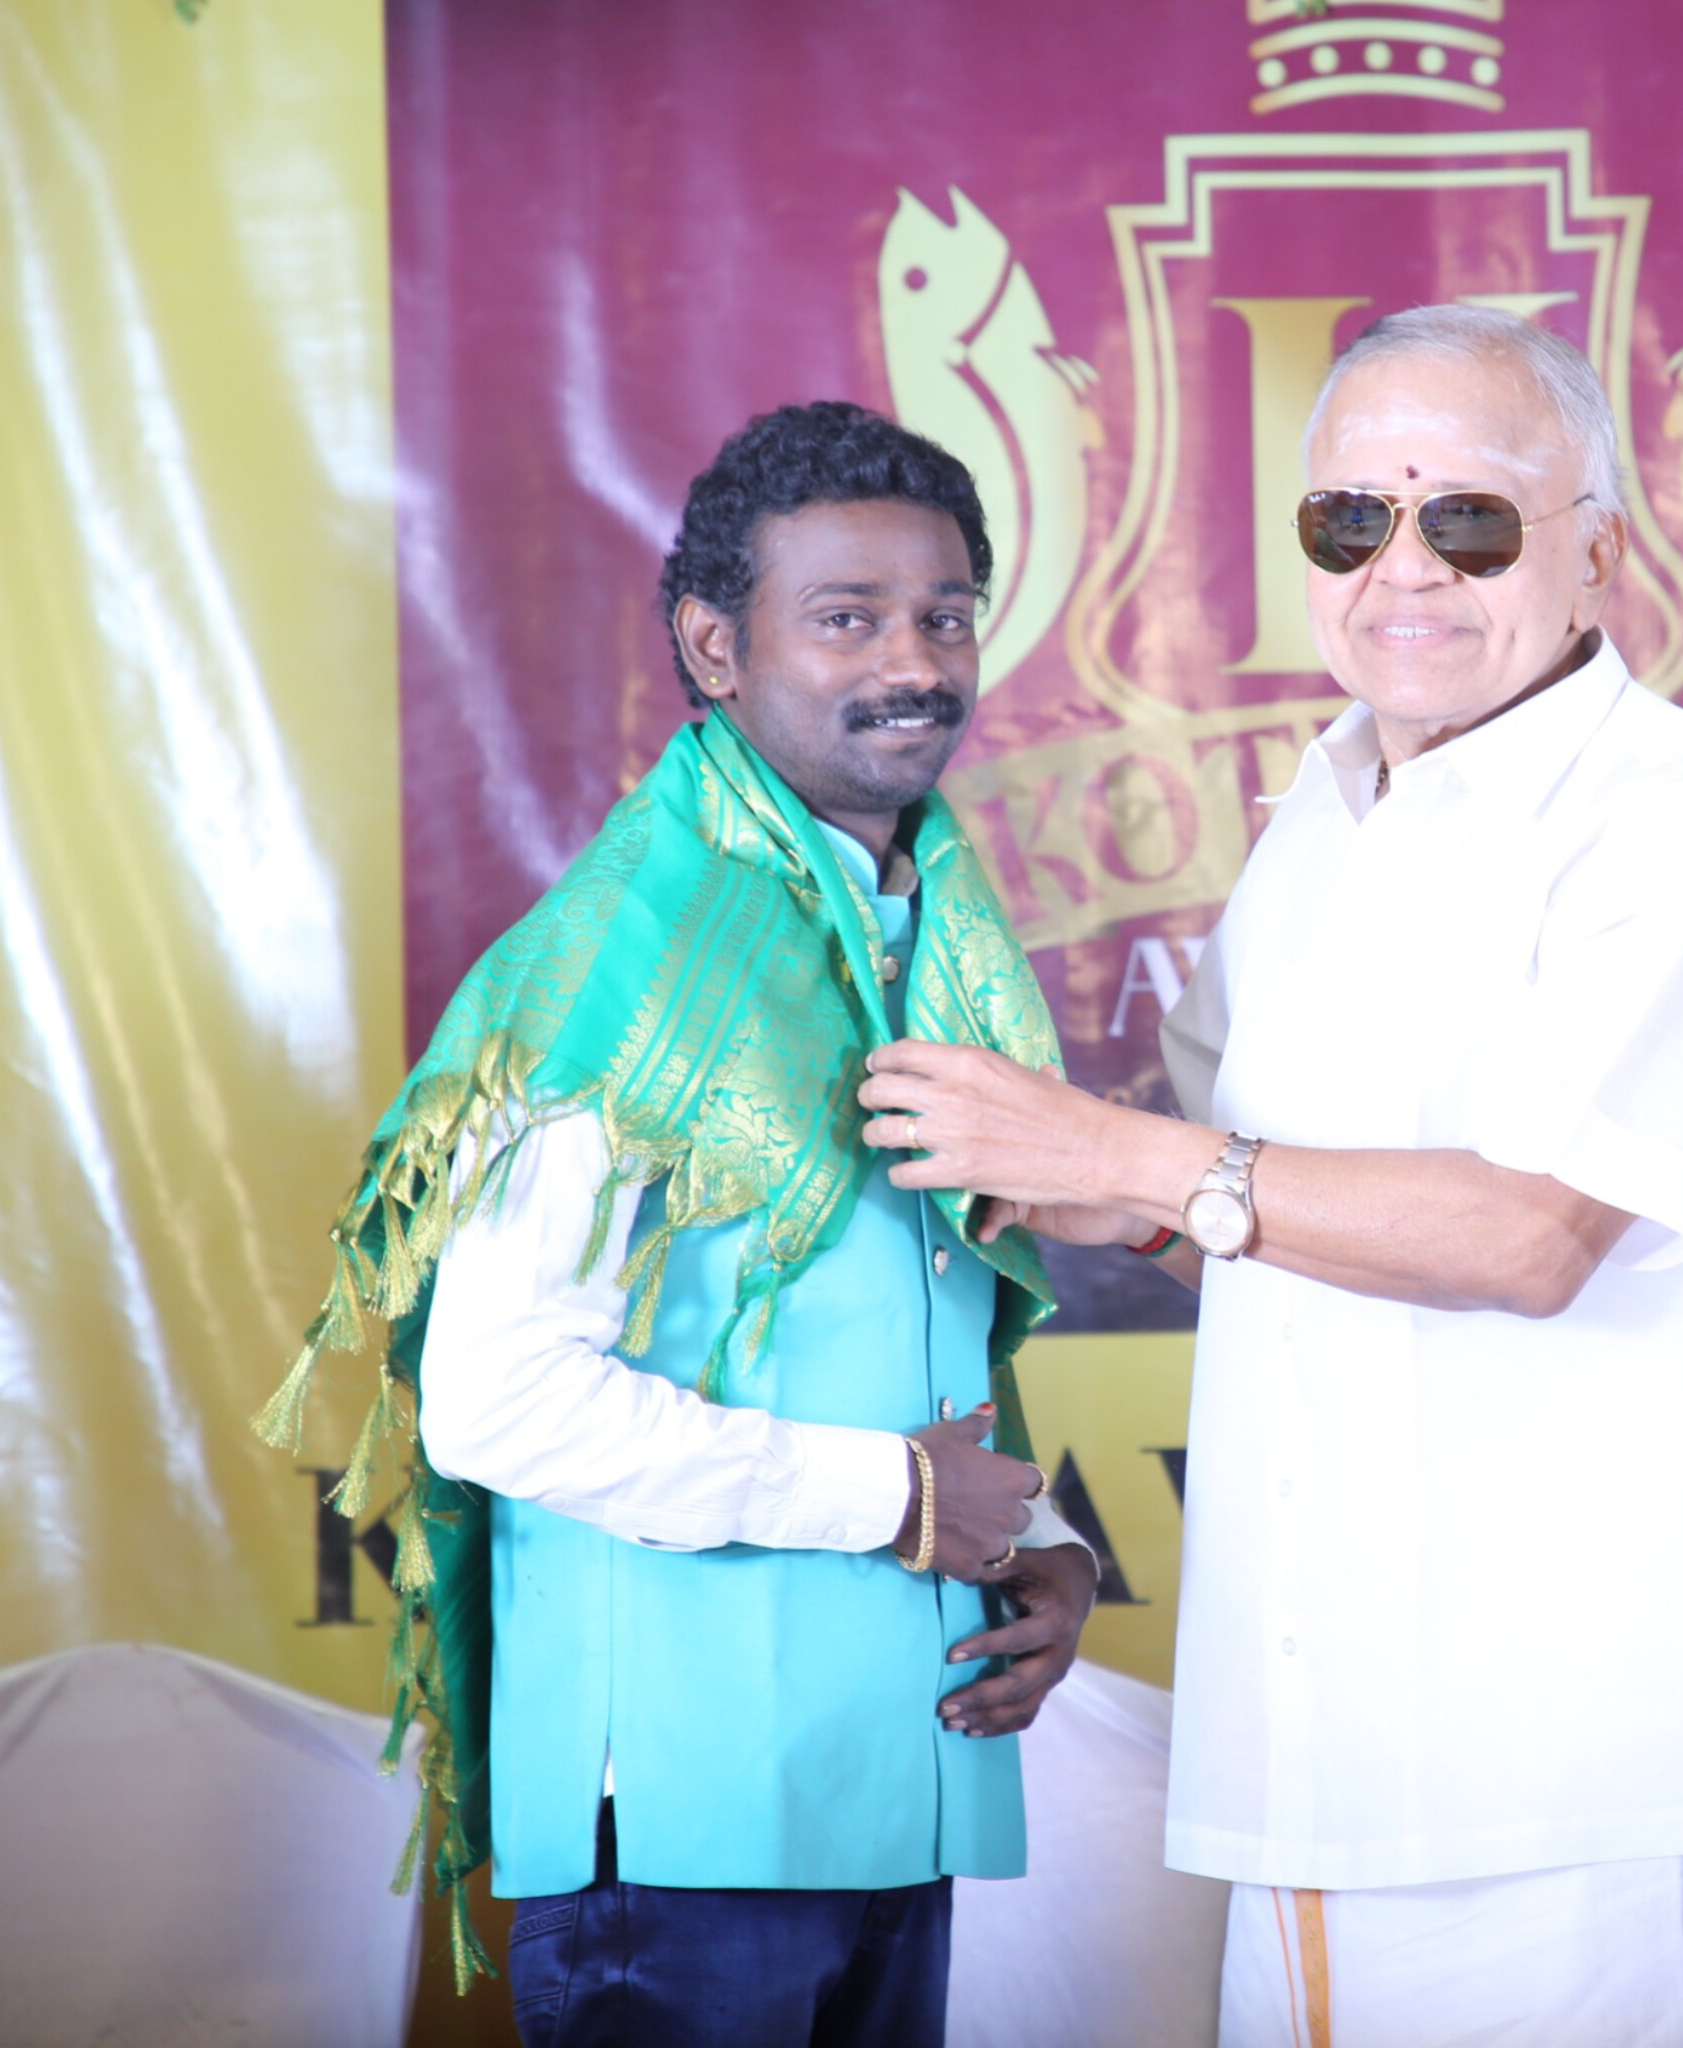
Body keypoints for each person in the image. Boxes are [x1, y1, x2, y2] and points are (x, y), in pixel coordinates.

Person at [852, 304, 1683, 2045]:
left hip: (1600, 1781)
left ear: (1597, 556)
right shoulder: (1326, 817)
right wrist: (1064, 1181)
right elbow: (1234, 1216)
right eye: (1351, 519)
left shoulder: (1675, 819)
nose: (1401, 566)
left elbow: (1533, 1231)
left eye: (1467, 518)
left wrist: (1119, 1152)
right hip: (1326, 1755)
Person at [256, 401, 1097, 2048]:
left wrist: (1037, 1547)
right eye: (846, 618)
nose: (914, 663)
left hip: (895, 1779)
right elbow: (502, 1400)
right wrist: (898, 1497)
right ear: (716, 648)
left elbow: (875, 1337)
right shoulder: (627, 964)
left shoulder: (925, 923)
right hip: (681, 1837)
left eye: (944, 617)